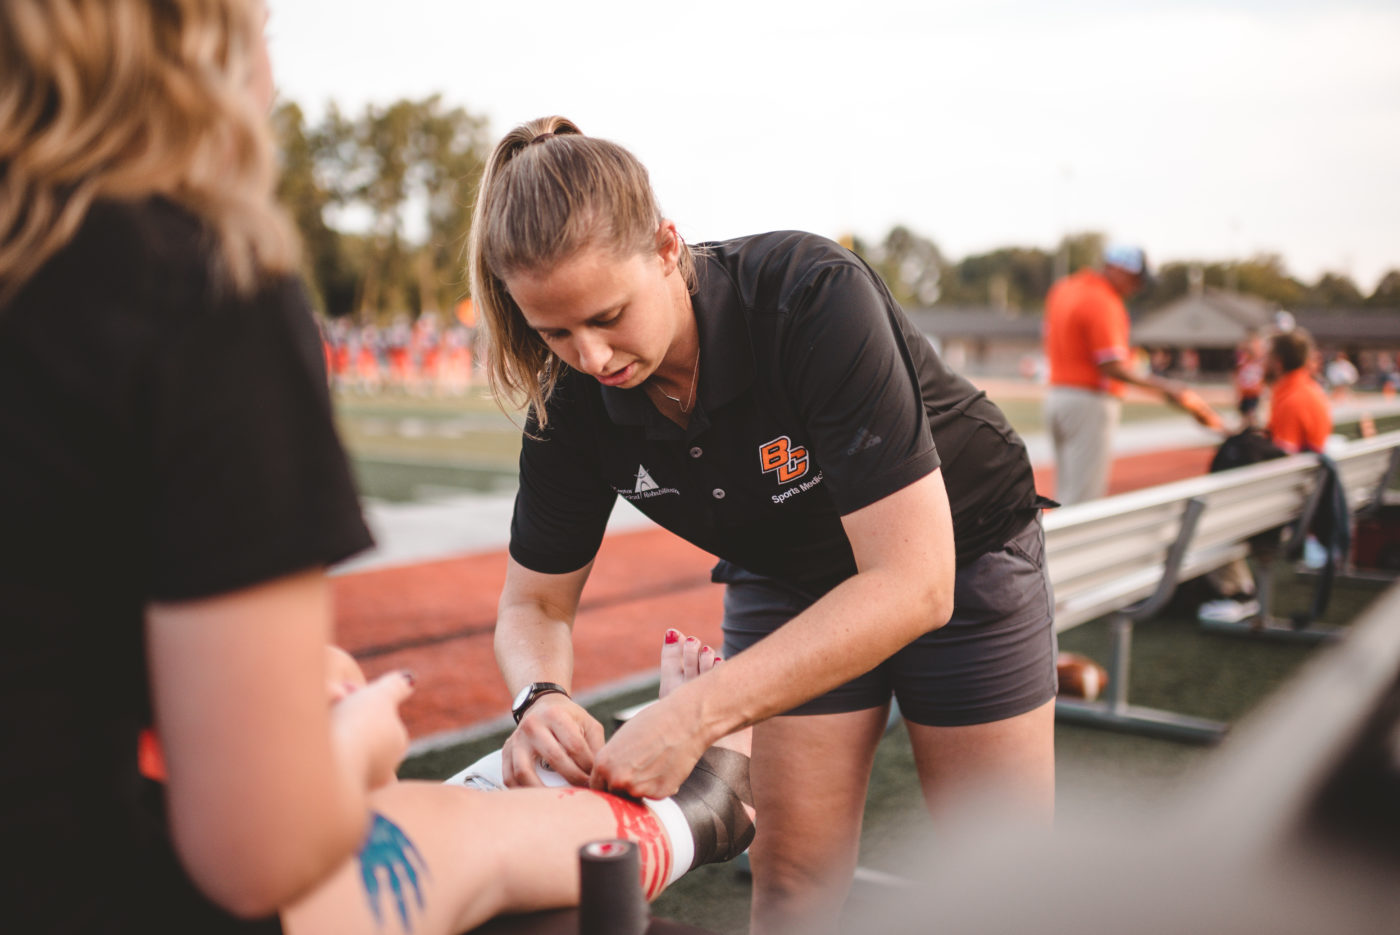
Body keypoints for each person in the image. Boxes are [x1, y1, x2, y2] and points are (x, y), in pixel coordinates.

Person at [0, 4, 752, 932]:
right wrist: (347, 750)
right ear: (201, 51)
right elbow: (259, 849)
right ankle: (693, 818)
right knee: (442, 824)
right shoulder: (191, 277)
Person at [470, 116, 1059, 935]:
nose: (594, 358)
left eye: (608, 314)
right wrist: (540, 695)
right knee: (789, 886)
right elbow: (534, 605)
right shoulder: (567, 400)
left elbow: (914, 582)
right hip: (789, 566)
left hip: (958, 548)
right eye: (555, 331)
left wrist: (693, 712)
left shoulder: (809, 294)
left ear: (668, 245)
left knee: (1004, 879)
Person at [1043, 244, 1200, 505]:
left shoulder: (1065, 288)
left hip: (1056, 395)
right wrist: (1165, 388)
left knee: (1067, 492)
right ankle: (1078, 546)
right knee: (1083, 501)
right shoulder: (1103, 300)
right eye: (1136, 278)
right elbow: (1112, 365)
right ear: (1117, 269)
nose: (1137, 287)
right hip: (1089, 400)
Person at [1198, 328, 1334, 623]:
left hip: (1287, 501)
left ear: (1280, 361)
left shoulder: (1292, 397)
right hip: (1305, 491)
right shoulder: (1308, 390)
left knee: (1208, 511)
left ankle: (1239, 593)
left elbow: (1278, 461)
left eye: (1268, 356)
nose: (1263, 361)